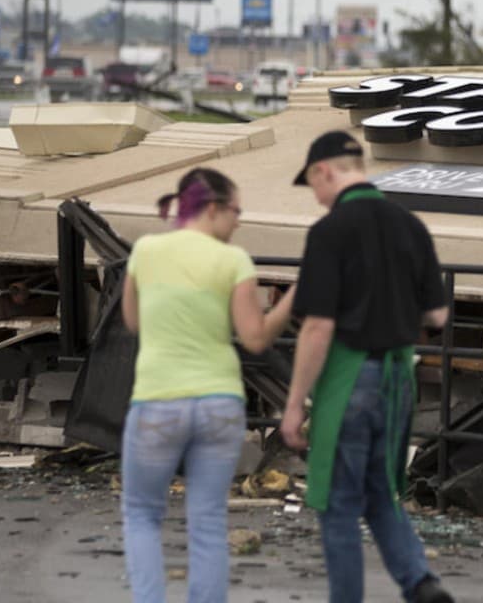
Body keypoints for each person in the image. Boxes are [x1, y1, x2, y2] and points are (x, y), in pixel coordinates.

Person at [281, 130, 453, 603]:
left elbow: (317, 326)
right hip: (400, 379)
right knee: (380, 494)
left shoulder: (329, 231)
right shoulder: (410, 225)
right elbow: (437, 316)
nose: (316, 198)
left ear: (324, 171)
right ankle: (420, 582)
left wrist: (294, 405)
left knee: (338, 505)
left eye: (312, 186)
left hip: (350, 380)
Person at [121, 167, 296, 603]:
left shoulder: (146, 250)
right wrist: (296, 297)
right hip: (219, 404)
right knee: (207, 521)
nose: (238, 222)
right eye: (236, 211)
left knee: (142, 514)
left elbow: (133, 321)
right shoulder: (233, 260)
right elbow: (256, 338)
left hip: (158, 402)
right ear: (214, 208)